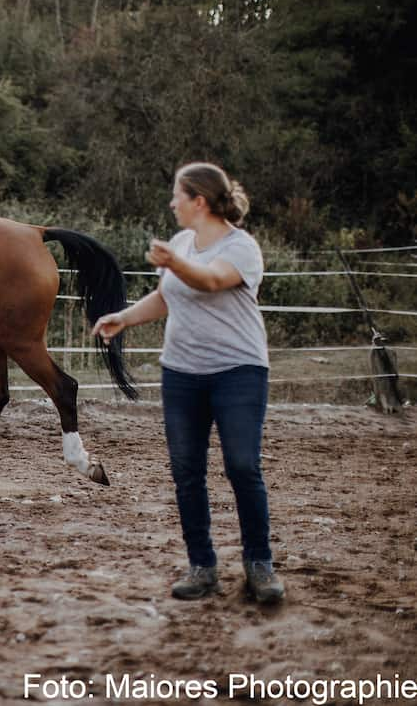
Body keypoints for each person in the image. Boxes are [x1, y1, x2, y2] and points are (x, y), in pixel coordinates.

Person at [91, 162, 285, 604]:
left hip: (238, 371)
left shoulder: (241, 248)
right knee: (187, 472)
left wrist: (174, 261)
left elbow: (211, 281)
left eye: (177, 195)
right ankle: (202, 566)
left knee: (242, 466)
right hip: (181, 372)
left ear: (198, 200)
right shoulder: (182, 242)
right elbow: (167, 294)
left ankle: (260, 565)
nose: (171, 202)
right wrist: (124, 316)